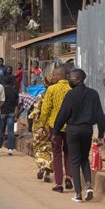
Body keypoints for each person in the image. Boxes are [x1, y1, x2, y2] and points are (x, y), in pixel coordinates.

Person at [53, 68, 105, 203]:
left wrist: (56, 132)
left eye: (71, 78)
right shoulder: (93, 94)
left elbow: (62, 115)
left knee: (75, 161)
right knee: (84, 159)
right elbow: (100, 115)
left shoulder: (71, 95)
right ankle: (88, 186)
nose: (69, 80)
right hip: (87, 131)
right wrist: (100, 134)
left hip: (73, 131)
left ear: (79, 79)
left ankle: (78, 193)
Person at [40, 66, 73, 194]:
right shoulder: (71, 89)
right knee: (69, 152)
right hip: (70, 126)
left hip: (55, 126)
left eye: (54, 75)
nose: (52, 77)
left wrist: (42, 125)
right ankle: (69, 176)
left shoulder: (52, 89)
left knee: (57, 153)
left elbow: (46, 108)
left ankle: (59, 183)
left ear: (59, 76)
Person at [30, 75, 55, 183]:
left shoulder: (42, 96)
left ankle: (41, 166)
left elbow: (35, 112)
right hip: (54, 125)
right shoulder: (57, 95)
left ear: (45, 84)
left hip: (40, 126)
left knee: (39, 147)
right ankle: (48, 171)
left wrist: (31, 119)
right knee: (51, 149)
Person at [0, 75, 19, 155]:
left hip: (2, 113)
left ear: (3, 82)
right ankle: (10, 149)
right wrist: (16, 114)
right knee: (11, 131)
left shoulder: (2, 91)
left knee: (1, 131)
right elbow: (17, 104)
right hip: (11, 113)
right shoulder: (14, 91)